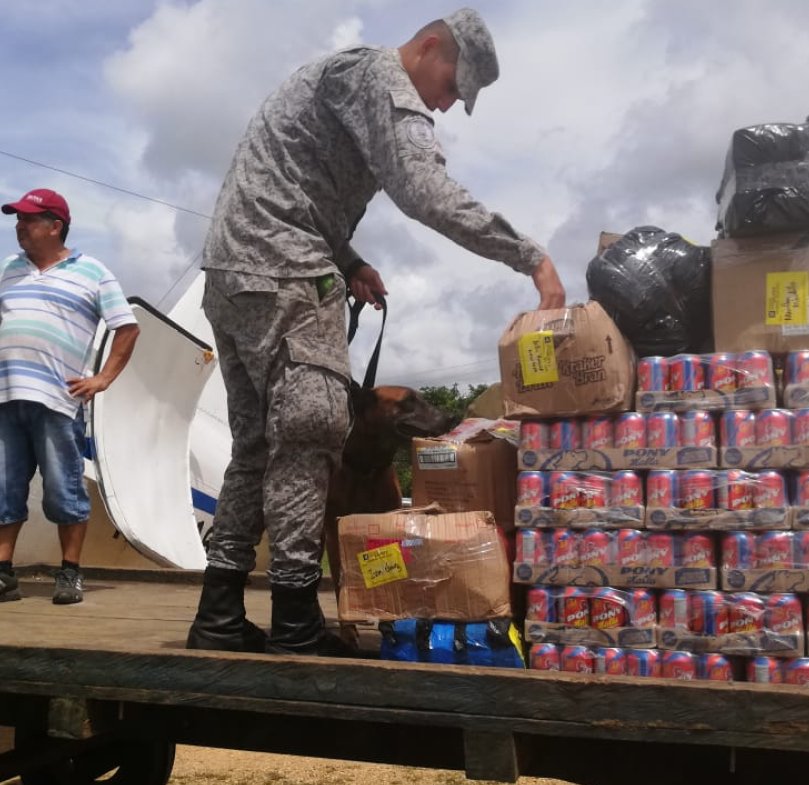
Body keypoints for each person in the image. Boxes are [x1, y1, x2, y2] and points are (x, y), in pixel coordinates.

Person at [187, 8, 567, 656]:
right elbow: (424, 189)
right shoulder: (379, 79)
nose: (445, 107)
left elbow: (296, 190)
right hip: (282, 273)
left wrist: (350, 259)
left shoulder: (340, 80)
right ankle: (296, 621)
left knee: (255, 448)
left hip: (234, 271)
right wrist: (531, 257)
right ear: (427, 48)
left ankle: (219, 613)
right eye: (451, 88)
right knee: (310, 439)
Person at [0, 189, 140, 606]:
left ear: (55, 226)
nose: (20, 226)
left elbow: (127, 327)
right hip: (4, 400)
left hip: (58, 400)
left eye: (29, 220)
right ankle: (1, 573)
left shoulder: (94, 272)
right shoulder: (8, 269)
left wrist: (102, 379)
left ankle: (70, 572)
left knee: (62, 488)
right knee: (0, 486)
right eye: (18, 219)